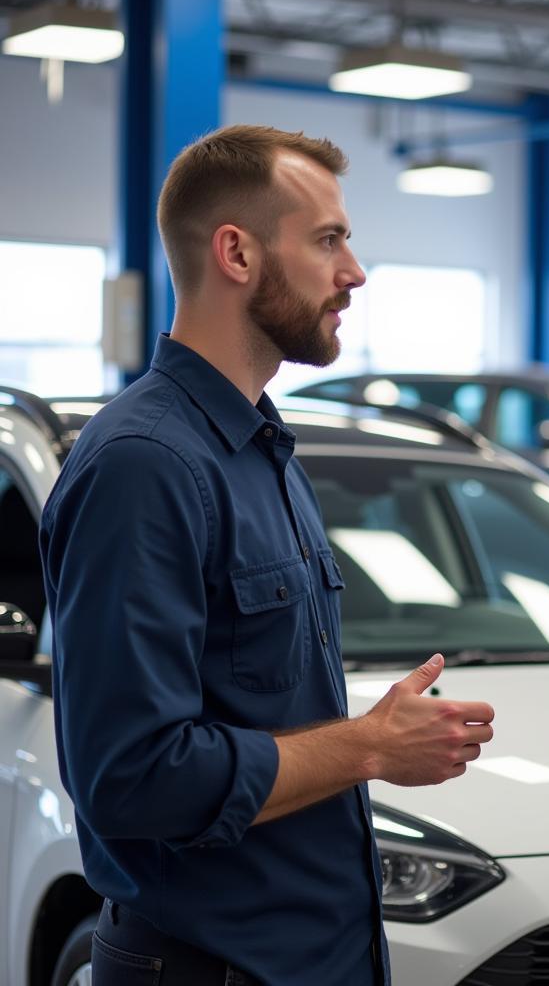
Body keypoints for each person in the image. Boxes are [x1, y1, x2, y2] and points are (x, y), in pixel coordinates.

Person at [40, 125, 495, 986]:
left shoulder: (260, 450)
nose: (354, 273)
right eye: (329, 240)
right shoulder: (147, 466)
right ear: (237, 253)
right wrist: (366, 748)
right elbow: (132, 776)